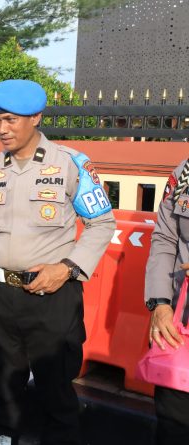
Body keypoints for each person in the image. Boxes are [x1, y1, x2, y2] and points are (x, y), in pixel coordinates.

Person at [0, 79, 116, 445]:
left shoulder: (71, 164)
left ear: (36, 117)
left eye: (10, 120)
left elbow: (102, 223)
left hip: (52, 296)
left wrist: (67, 268)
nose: (1, 129)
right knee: (3, 387)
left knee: (56, 392)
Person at [145, 160, 189, 444]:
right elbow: (164, 239)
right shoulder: (184, 173)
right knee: (173, 427)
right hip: (179, 327)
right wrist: (160, 304)